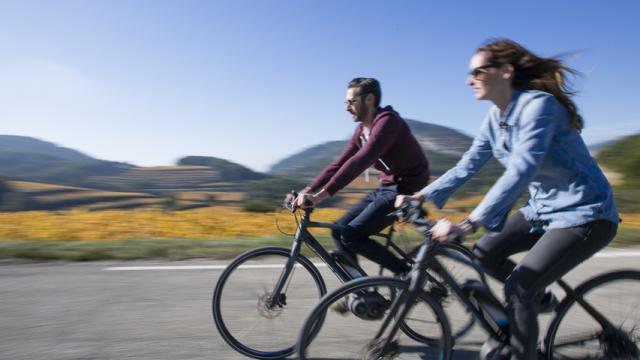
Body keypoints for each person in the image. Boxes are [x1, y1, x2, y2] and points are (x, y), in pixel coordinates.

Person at [396, 39, 620, 360]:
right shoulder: (495, 117)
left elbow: (521, 171)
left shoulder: (539, 107)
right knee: (484, 252)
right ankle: (537, 301)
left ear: (505, 71)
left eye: (478, 71)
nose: (468, 79)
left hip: (585, 214)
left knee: (519, 288)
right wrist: (422, 196)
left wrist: (470, 222)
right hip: (543, 210)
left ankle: (523, 344)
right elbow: (468, 165)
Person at [295, 77, 430, 276]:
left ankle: (406, 274)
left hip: (407, 188)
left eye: (351, 102)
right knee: (338, 229)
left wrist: (320, 196)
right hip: (387, 188)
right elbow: (340, 163)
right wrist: (307, 190)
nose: (347, 108)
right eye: (346, 102)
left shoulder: (388, 122)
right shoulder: (361, 130)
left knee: (352, 235)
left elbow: (360, 161)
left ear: (369, 99)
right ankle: (360, 292)